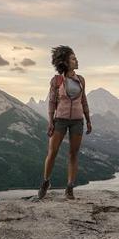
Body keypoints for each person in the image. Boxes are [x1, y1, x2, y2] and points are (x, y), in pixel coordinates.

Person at [38, 45, 92, 200]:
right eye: (73, 58)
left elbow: (84, 100)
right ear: (65, 62)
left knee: (73, 154)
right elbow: (52, 102)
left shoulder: (80, 80)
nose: (76, 60)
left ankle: (70, 187)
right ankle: (46, 182)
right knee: (52, 152)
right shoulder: (56, 80)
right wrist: (50, 121)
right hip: (60, 120)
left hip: (77, 121)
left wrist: (88, 120)